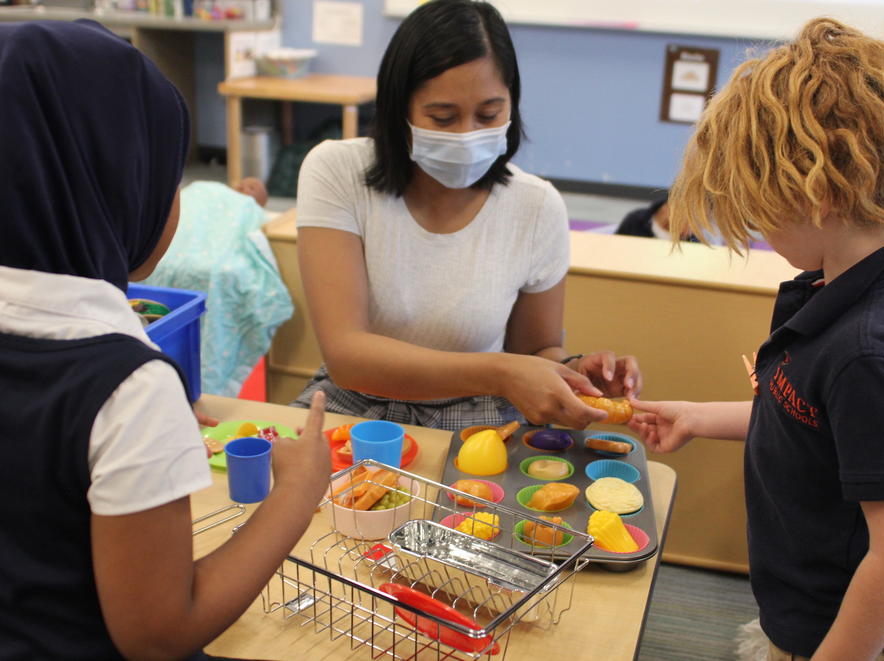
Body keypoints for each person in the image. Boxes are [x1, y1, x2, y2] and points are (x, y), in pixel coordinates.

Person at [0, 20, 331, 660]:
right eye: (169, 175)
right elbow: (159, 633)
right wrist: (296, 493)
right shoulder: (123, 387)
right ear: (117, 185)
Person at [628, 18, 884, 661]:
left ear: (817, 193)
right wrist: (697, 416)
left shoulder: (869, 350)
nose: (757, 230)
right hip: (805, 610)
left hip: (852, 636)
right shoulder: (845, 285)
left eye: (761, 209)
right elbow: (812, 424)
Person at [292, 0, 640, 431]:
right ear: (399, 110)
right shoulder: (337, 172)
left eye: (489, 114)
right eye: (443, 117)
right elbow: (348, 356)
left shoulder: (536, 205)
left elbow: (534, 351)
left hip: (481, 416)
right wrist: (500, 372)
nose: (468, 135)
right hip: (356, 404)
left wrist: (573, 370)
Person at [141, 176, 293, 396]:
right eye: (246, 183)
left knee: (218, 270)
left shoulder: (249, 209)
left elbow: (247, 238)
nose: (247, 188)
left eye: (255, 189)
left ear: (261, 202)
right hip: (176, 253)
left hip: (214, 260)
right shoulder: (206, 189)